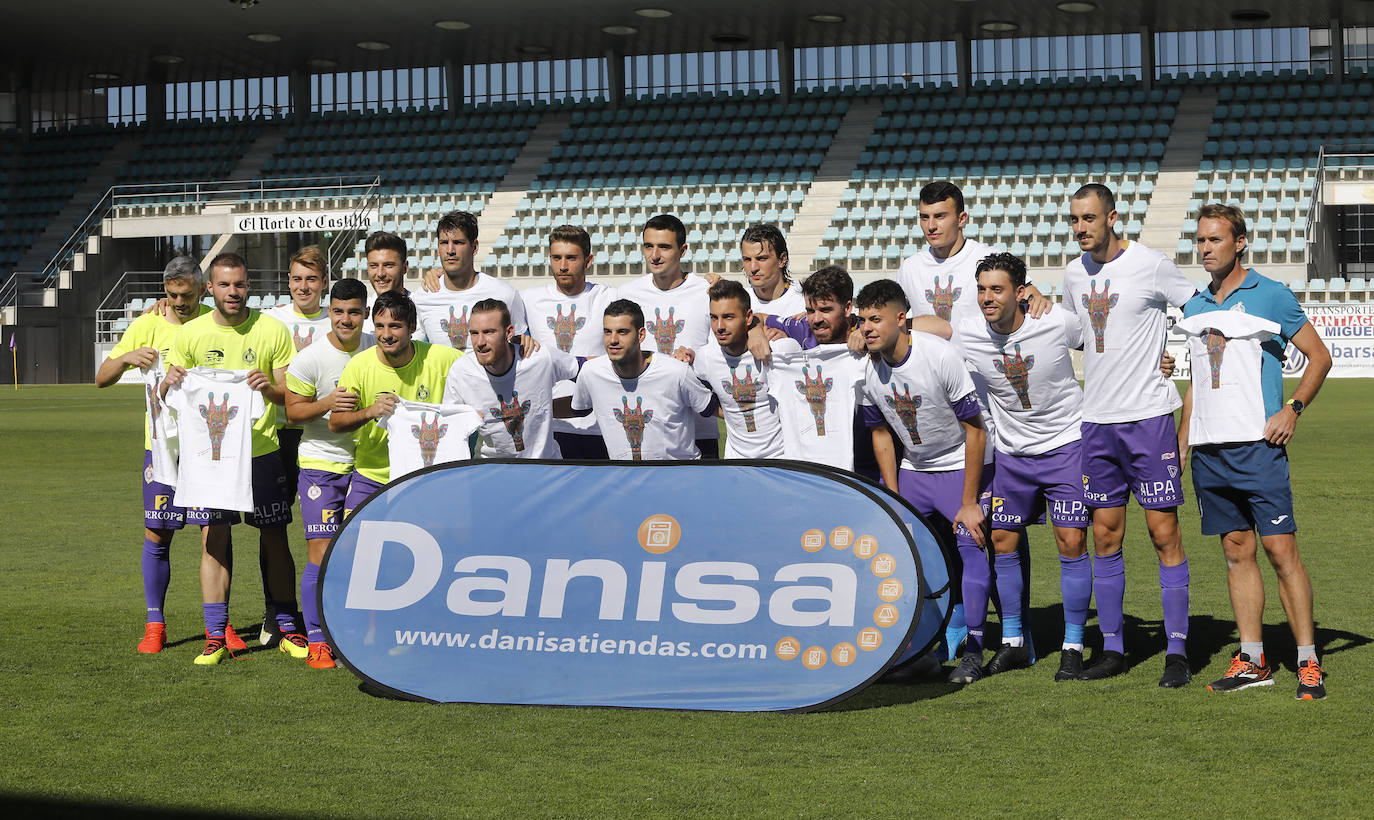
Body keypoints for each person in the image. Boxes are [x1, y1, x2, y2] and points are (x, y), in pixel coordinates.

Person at [1176, 204, 1332, 700]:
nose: (1205, 249)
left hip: (1258, 448)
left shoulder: (1272, 294)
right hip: (1209, 452)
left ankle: (1308, 662)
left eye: (1215, 240)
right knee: (1235, 551)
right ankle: (1253, 659)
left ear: (1240, 242)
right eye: (1200, 241)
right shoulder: (1195, 307)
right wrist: (1182, 443)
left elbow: (1319, 356)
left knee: (1281, 551)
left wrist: (1293, 409)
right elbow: (1198, 383)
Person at [1060, 182, 1197, 687]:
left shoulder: (1152, 264)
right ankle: (1113, 648)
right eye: (1074, 220)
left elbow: (1198, 311)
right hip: (1096, 422)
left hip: (1148, 419)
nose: (1080, 229)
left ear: (1112, 218)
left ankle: (1178, 652)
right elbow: (1080, 334)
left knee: (1164, 533)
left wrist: (1175, 358)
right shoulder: (1074, 274)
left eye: (1089, 219)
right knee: (1104, 534)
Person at [954, 253, 1093, 681]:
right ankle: (1014, 641)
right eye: (981, 289)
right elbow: (922, 329)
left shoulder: (1055, 322)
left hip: (1067, 444)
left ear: (1020, 292)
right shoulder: (969, 334)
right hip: (1013, 454)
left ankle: (1073, 644)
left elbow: (1107, 341)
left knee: (1070, 542)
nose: (987, 298)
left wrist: (1162, 364)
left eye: (997, 289)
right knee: (1002, 540)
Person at [159, 253, 302, 665]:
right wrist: (168, 384)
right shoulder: (191, 336)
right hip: (212, 460)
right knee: (214, 540)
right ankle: (216, 635)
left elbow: (287, 396)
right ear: (210, 289)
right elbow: (167, 399)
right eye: (224, 285)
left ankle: (287, 629)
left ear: (249, 284)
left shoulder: (272, 331)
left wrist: (268, 388)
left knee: (274, 538)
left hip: (261, 452)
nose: (233, 292)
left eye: (239, 284)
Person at [854, 279, 992, 685]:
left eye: (876, 319)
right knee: (895, 553)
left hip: (960, 465)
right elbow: (880, 433)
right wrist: (893, 495)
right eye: (862, 321)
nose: (868, 328)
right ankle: (913, 648)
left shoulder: (939, 356)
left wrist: (969, 501)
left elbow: (976, 431)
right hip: (915, 468)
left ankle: (975, 650)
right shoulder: (871, 367)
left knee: (973, 546)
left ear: (902, 319)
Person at [96, 255, 221, 654]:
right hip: (161, 450)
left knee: (213, 536)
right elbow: (102, 378)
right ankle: (155, 624)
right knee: (157, 534)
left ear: (202, 290)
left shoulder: (214, 324)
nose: (180, 302)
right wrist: (127, 358)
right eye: (172, 295)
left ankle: (219, 627)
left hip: (206, 450)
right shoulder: (147, 324)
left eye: (187, 295)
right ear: (163, 293)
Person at [283, 278, 374, 669]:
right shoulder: (311, 358)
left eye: (354, 311)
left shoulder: (377, 347)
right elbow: (292, 412)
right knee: (320, 553)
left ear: (365, 313)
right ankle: (317, 637)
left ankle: (358, 633)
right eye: (338, 311)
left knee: (362, 556)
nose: (346, 319)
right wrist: (326, 403)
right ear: (329, 312)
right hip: (322, 465)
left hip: (368, 465)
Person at [330, 290, 463, 511]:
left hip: (427, 477)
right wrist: (369, 412)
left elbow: (482, 365)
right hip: (372, 476)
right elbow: (336, 424)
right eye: (379, 326)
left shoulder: (442, 359)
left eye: (395, 326)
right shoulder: (359, 365)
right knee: (354, 542)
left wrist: (517, 343)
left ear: (412, 328)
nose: (386, 334)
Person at [260, 244, 332, 645]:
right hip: (279, 435)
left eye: (311, 279)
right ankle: (278, 611)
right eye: (296, 279)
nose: (303, 287)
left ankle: (327, 609)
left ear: (324, 282)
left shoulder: (338, 319)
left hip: (326, 437)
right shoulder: (271, 320)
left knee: (323, 529)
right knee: (273, 526)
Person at [615, 214, 719, 458]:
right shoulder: (626, 293)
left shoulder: (706, 292)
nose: (655, 255)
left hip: (698, 426)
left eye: (664, 247)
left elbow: (720, 353)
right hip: (646, 426)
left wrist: (695, 357)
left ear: (682, 250)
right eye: (649, 246)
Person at [560, 299, 717, 461]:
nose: (613, 340)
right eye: (608, 331)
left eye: (622, 332)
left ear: (641, 334)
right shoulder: (591, 372)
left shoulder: (676, 372)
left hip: (679, 477)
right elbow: (578, 408)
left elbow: (711, 407)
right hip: (626, 479)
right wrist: (539, 409)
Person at [518, 225, 617, 459]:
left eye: (571, 258)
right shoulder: (527, 299)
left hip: (600, 424)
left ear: (588, 260)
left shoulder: (611, 297)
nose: (563, 266)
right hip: (548, 426)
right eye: (556, 257)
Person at [443, 298, 580, 459]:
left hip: (545, 471)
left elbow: (587, 370)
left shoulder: (539, 357)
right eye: (474, 333)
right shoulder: (461, 371)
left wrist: (549, 408)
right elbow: (450, 431)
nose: (479, 342)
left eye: (488, 332)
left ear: (509, 332)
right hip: (491, 471)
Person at [695, 279, 799, 459]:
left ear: (749, 317)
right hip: (736, 465)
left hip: (782, 462)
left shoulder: (782, 350)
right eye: (714, 317)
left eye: (728, 317)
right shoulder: (705, 358)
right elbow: (698, 396)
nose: (719, 327)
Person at [411, 210, 528, 350]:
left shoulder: (505, 294)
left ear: (475, 247)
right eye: (443, 242)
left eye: (458, 242)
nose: (450, 250)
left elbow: (521, 345)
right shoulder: (422, 297)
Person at [739, 223, 805, 316]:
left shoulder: (806, 299)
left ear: (782, 260)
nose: (753, 268)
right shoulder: (737, 302)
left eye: (762, 259)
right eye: (747, 259)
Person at [364, 231, 410, 298]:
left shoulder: (421, 306)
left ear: (405, 268)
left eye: (388, 265)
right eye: (374, 266)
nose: (380, 274)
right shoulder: (363, 307)